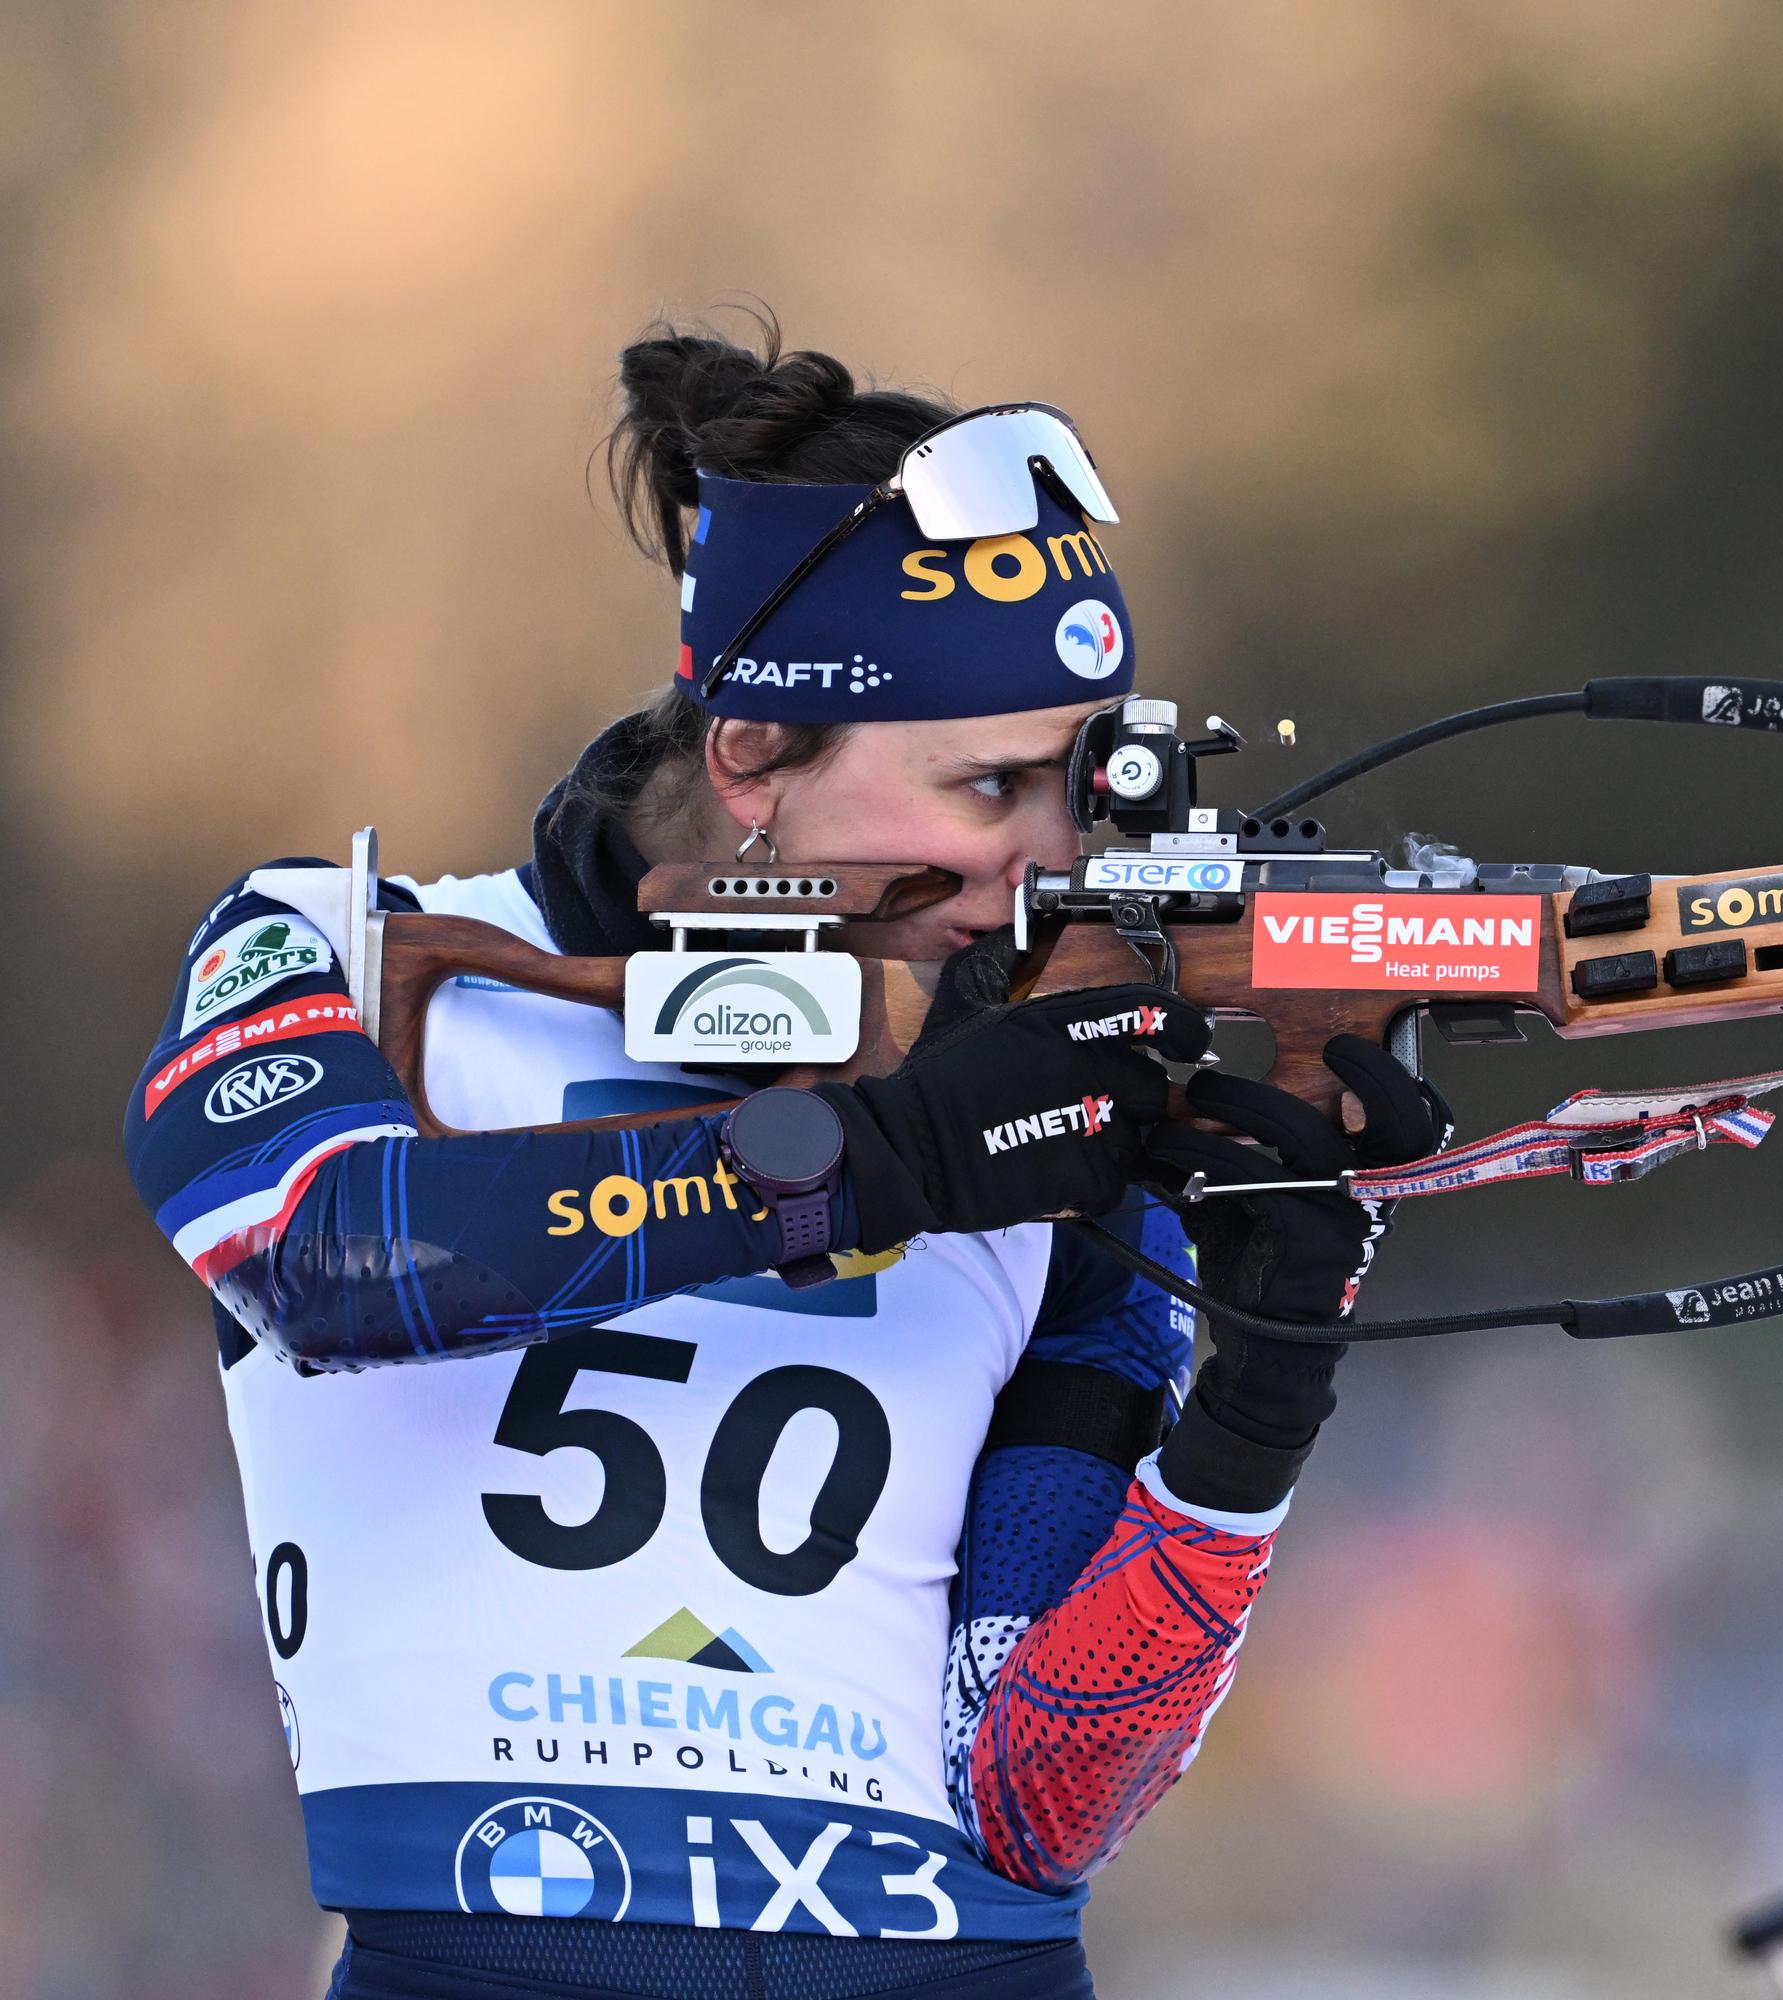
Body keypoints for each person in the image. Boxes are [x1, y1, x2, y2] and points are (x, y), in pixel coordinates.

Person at [121, 319, 1447, 1999]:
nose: (1050, 858)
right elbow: (331, 1258)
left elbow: (1043, 1795)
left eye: (1080, 787)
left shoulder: (1044, 1097)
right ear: (749, 750)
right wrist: (878, 1159)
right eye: (989, 787)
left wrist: (1255, 1405)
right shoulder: (347, 944)